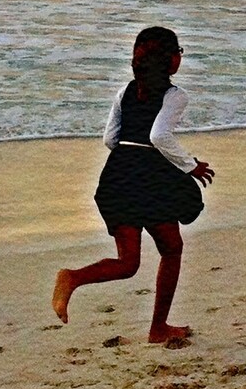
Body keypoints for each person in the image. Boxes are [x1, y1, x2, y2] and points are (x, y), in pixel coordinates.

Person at [52, 26, 215, 343]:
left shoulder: (124, 92)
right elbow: (159, 136)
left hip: (117, 176)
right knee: (172, 248)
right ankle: (158, 328)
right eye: (178, 52)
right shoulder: (175, 96)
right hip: (150, 178)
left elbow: (110, 139)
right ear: (171, 61)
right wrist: (190, 165)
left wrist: (129, 159)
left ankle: (71, 278)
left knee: (127, 262)